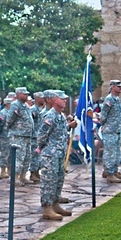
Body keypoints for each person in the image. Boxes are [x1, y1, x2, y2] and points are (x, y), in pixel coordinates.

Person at [37, 90, 76, 220]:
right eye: (62, 98)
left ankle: (55, 203)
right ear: (54, 100)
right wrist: (45, 149)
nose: (65, 100)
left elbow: (63, 131)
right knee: (49, 180)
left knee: (59, 179)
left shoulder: (60, 116)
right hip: (50, 154)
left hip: (59, 153)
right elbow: (42, 136)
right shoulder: (50, 116)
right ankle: (47, 208)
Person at [6, 87, 34, 185]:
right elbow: (9, 120)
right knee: (18, 157)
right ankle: (14, 178)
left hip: (26, 135)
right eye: (24, 94)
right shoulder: (15, 105)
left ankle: (23, 176)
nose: (26, 96)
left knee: (26, 157)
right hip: (18, 136)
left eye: (27, 94)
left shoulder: (25, 106)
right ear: (18, 95)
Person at [101, 80, 121, 183]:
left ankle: (114, 171)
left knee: (116, 153)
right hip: (110, 131)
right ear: (112, 87)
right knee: (110, 153)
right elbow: (103, 116)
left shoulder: (117, 99)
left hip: (117, 130)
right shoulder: (109, 100)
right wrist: (107, 126)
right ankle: (109, 174)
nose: (120, 88)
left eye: (120, 86)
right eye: (118, 86)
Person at [0, 96, 14, 178]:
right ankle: (3, 171)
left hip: (10, 136)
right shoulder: (3, 113)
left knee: (10, 154)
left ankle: (9, 169)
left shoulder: (10, 112)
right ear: (7, 104)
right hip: (4, 136)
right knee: (4, 154)